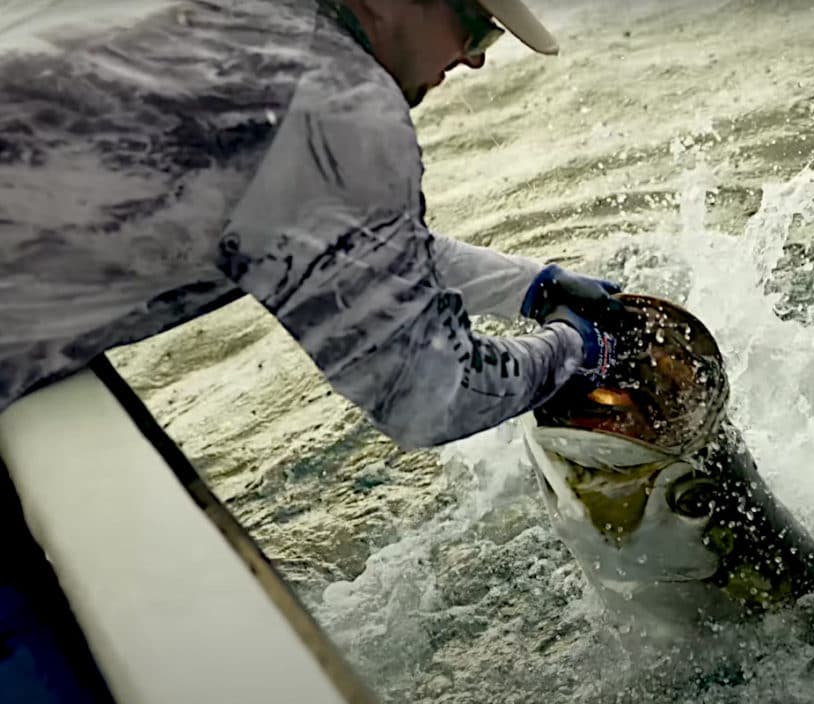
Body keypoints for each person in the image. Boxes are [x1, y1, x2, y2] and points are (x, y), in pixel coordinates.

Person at [0, 1, 623, 701]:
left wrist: (531, 288)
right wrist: (573, 353)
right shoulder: (334, 98)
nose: (477, 57)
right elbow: (431, 397)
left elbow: (344, 237)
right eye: (474, 24)